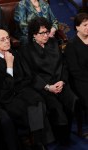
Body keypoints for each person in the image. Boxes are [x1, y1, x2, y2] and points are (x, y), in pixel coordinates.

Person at [0, 29, 55, 150]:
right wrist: (9, 65)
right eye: (2, 39)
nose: (7, 41)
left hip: (22, 89)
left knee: (38, 100)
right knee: (27, 109)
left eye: (8, 38)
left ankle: (37, 141)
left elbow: (27, 75)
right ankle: (35, 141)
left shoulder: (15, 53)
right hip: (7, 96)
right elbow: (1, 87)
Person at [20, 16, 77, 145]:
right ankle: (61, 140)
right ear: (34, 34)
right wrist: (47, 87)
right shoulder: (26, 50)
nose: (46, 35)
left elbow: (63, 65)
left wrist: (62, 81)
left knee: (72, 100)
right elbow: (31, 75)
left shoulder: (54, 43)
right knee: (57, 109)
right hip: (44, 87)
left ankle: (66, 135)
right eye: (42, 33)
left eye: (47, 32)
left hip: (60, 83)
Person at [64, 13, 88, 123]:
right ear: (77, 27)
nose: (87, 27)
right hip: (81, 81)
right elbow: (75, 71)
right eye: (85, 25)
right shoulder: (71, 45)